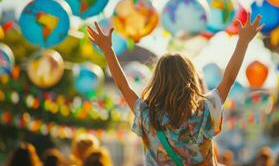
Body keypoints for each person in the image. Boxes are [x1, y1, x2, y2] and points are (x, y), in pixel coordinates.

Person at [88, 13, 263, 165]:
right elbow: (229, 79)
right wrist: (243, 41)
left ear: (157, 80)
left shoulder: (147, 114)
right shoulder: (206, 110)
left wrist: (107, 49)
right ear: (191, 79)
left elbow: (123, 85)